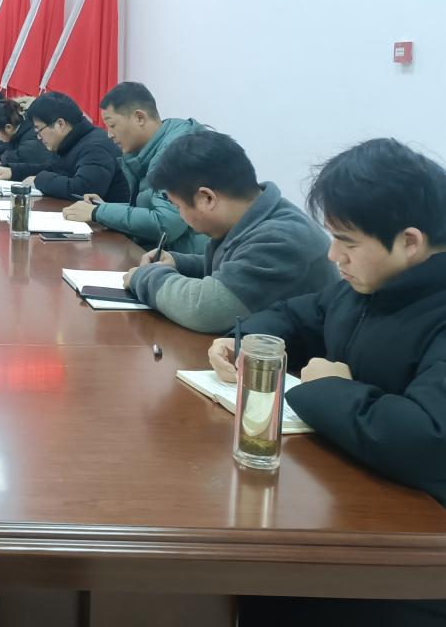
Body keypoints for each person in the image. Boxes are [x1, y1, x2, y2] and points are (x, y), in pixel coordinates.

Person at [206, 139, 446, 626]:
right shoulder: (370, 286)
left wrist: (328, 387)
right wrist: (246, 340)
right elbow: (298, 315)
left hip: (412, 560)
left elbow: (427, 439)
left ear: (410, 241)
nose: (335, 255)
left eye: (348, 242)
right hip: (345, 504)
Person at [125, 130, 336, 333]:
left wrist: (143, 277)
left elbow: (205, 309)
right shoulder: (258, 216)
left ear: (207, 198)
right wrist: (180, 263)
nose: (181, 216)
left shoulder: (281, 238)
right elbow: (238, 267)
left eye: (178, 206)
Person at [62, 81, 206, 252]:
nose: (109, 134)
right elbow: (148, 210)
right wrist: (103, 208)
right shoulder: (151, 149)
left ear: (139, 118)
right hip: (161, 254)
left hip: (186, 261)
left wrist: (98, 212)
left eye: (112, 125)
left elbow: (166, 224)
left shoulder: (178, 151)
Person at [0, 91, 130, 202]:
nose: (38, 137)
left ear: (60, 124)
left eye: (39, 130)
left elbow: (84, 189)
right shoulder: (73, 141)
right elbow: (53, 169)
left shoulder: (94, 146)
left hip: (110, 232)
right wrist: (13, 172)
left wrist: (39, 180)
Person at [0, 98, 52, 181]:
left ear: (8, 128)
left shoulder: (32, 134)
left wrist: (0, 159)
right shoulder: (21, 129)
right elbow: (13, 146)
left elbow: (22, 153)